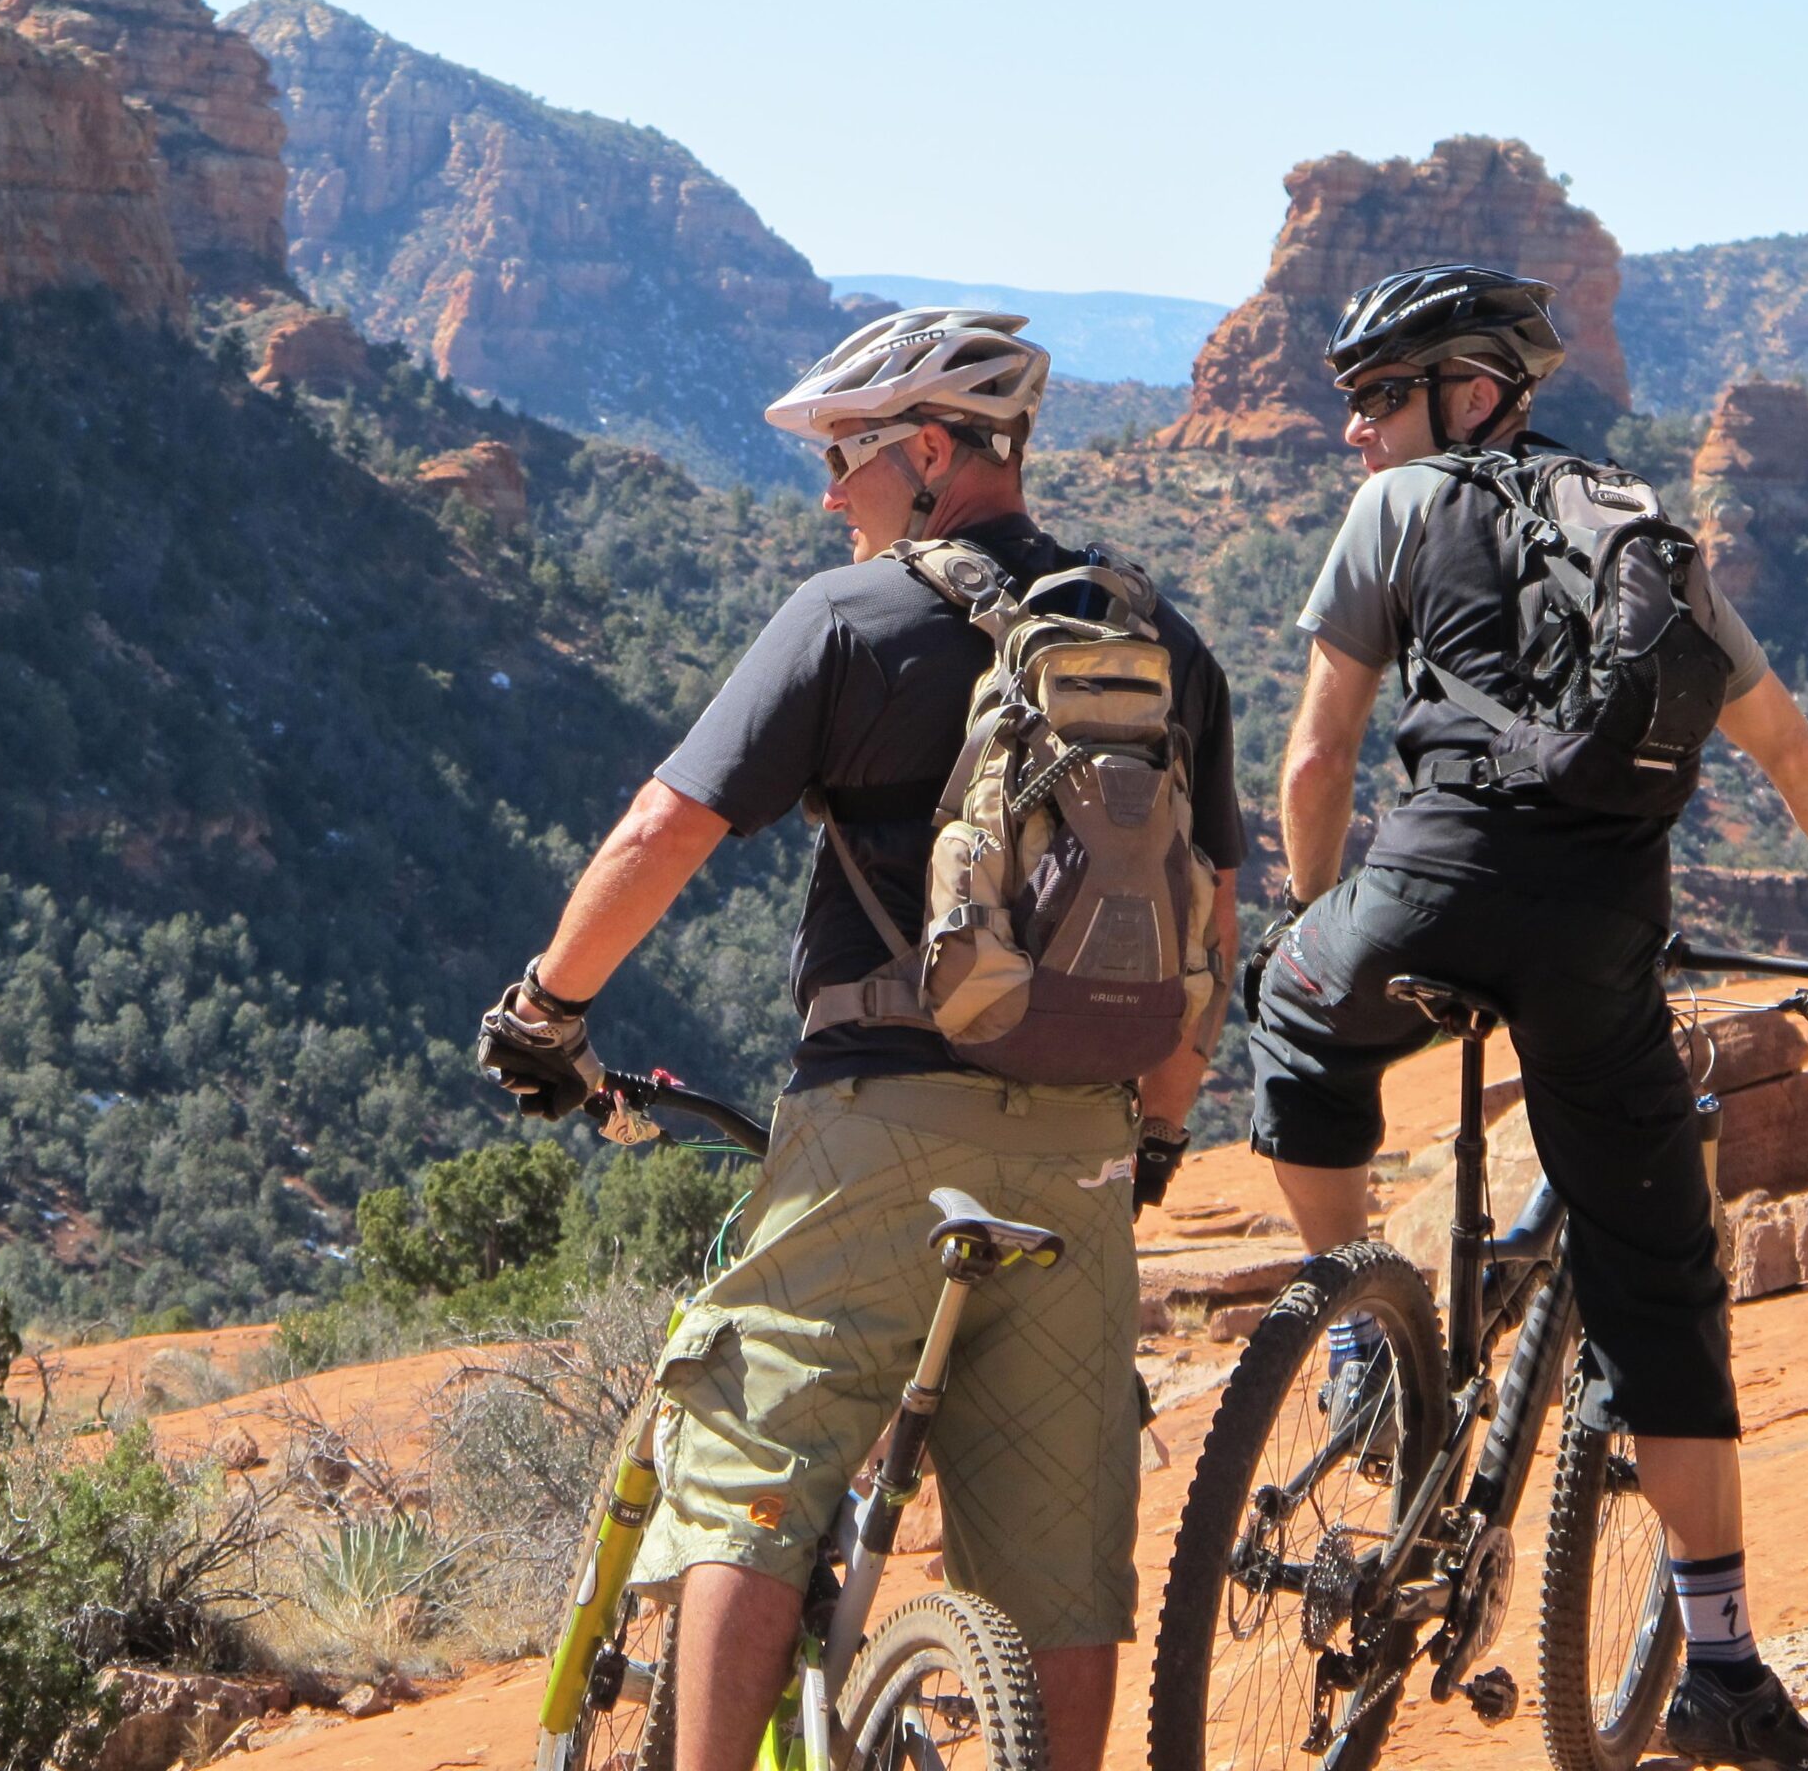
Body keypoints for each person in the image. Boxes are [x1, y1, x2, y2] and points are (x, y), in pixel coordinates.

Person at [479, 307, 1245, 1771]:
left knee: (752, 1463)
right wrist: (1154, 1130)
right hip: (1083, 1151)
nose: (830, 494)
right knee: (1059, 1568)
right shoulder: (1166, 645)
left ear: (933, 455)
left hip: (882, 1128)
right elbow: (1207, 923)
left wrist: (549, 1011)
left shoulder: (853, 617)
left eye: (847, 459)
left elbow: (665, 828)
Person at [1248, 264, 1808, 1771]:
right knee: (1663, 1293)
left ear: (1469, 392)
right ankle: (1722, 1670)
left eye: (1381, 398)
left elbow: (1318, 765)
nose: (1358, 433)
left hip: (1421, 892)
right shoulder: (1650, 535)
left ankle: (1361, 1338)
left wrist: (1313, 927)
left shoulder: (1396, 514)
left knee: (1299, 1024)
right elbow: (1791, 750)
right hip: (1600, 938)